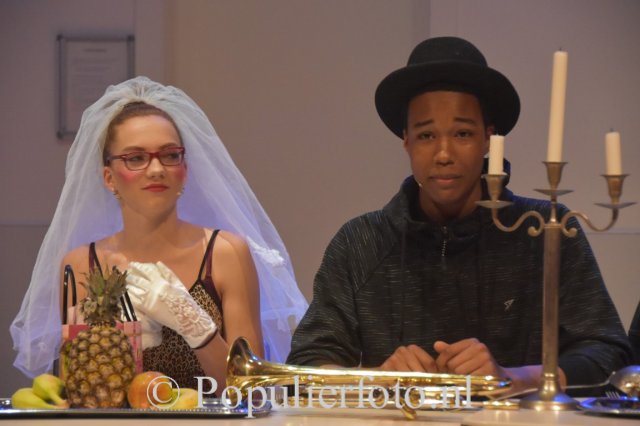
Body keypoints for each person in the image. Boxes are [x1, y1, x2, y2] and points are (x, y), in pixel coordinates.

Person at [287, 37, 632, 394]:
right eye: (426, 135)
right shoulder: (361, 242)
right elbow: (304, 367)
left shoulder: (544, 230)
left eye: (463, 133)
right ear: (406, 141)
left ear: (488, 139)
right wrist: (377, 378)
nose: (443, 154)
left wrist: (513, 378)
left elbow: (610, 355)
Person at [11, 77, 308, 387]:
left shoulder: (225, 253)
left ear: (185, 169)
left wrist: (196, 326)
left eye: (169, 155)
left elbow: (253, 390)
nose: (156, 170)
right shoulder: (83, 265)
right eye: (136, 158)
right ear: (109, 178)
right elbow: (81, 392)